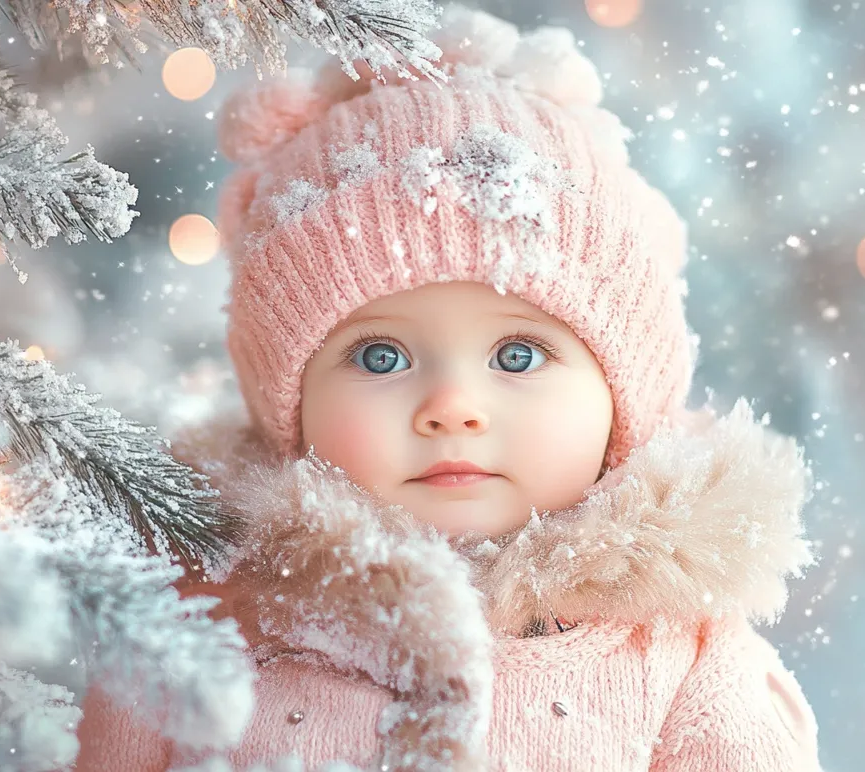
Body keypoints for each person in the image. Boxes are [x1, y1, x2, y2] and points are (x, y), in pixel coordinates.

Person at [75, 6, 821, 770]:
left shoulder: (684, 653)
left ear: (623, 400)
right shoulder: (201, 626)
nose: (452, 408)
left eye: (520, 356)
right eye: (380, 358)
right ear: (289, 411)